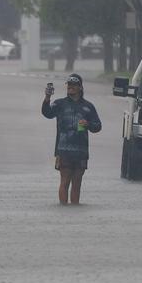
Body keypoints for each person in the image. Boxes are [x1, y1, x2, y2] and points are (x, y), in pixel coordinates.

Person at [41, 73, 102, 205]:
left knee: (77, 184)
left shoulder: (88, 106)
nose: (70, 87)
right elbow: (47, 113)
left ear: (80, 87)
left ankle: (75, 210)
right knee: (64, 182)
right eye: (69, 85)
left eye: (74, 85)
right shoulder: (59, 104)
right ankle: (63, 210)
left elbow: (98, 126)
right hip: (63, 150)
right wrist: (47, 97)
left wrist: (88, 124)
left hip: (81, 151)